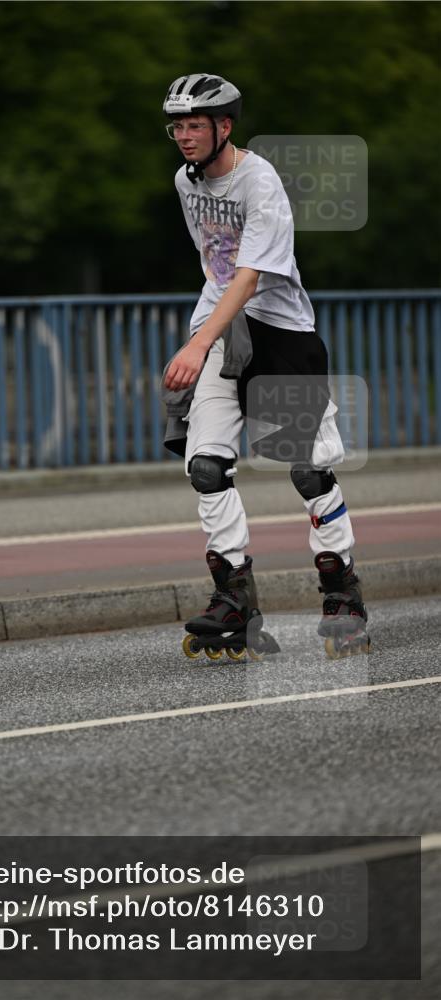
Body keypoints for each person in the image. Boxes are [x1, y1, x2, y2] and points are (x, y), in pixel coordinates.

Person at [161, 72, 369, 659]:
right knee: (205, 467)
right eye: (176, 126)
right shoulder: (184, 180)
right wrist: (205, 334)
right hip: (226, 333)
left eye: (194, 124)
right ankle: (234, 602)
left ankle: (341, 593)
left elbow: (249, 275)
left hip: (281, 337)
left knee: (308, 473)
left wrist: (197, 344)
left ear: (224, 126)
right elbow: (214, 264)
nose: (183, 136)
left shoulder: (262, 182)